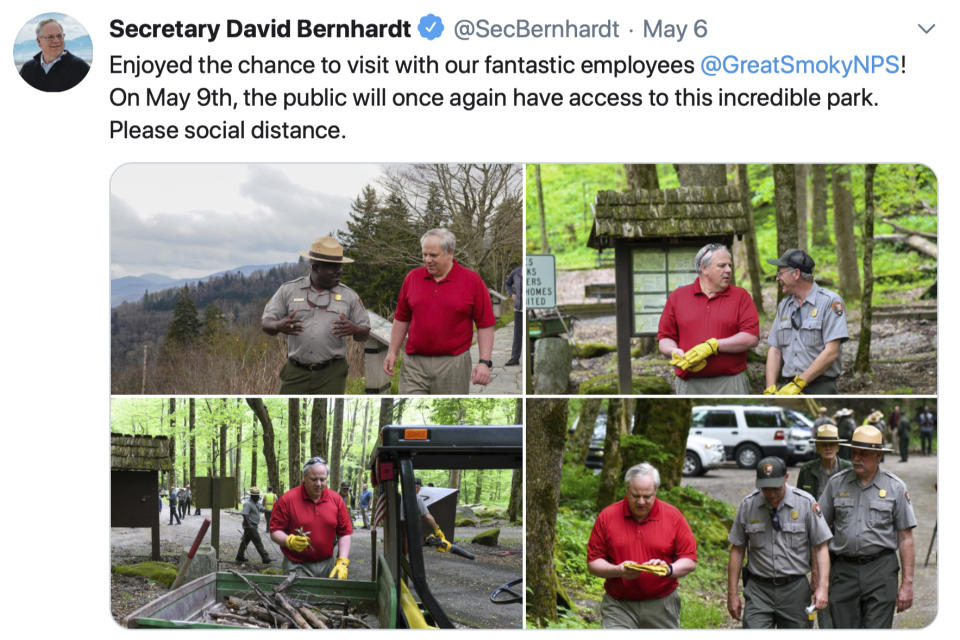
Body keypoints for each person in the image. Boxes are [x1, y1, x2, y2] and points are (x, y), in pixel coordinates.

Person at [819, 425, 917, 628]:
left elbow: (906, 538)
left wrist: (907, 583)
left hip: (880, 570)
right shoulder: (836, 484)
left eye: (864, 454)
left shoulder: (895, 487)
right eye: (854, 452)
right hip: (843, 570)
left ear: (878, 455)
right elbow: (818, 531)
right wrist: (820, 578)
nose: (856, 458)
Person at [384, 229, 496, 394]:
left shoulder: (472, 281)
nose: (427, 260)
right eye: (424, 254)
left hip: (453, 364)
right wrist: (392, 351)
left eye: (433, 255)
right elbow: (401, 318)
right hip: (414, 364)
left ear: (449, 252)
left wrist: (484, 362)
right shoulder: (412, 278)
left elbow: (485, 324)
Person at [587, 463, 698, 628]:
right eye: (635, 495)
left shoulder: (673, 516)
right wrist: (618, 570)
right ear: (627, 489)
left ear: (656, 492)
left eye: (647, 496)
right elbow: (593, 563)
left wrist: (668, 569)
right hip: (619, 605)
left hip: (662, 605)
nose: (641, 502)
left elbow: (689, 560)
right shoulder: (608, 516)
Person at [727, 457, 831, 628]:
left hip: (794, 589)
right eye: (766, 489)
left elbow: (821, 546)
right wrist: (732, 593)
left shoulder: (805, 503)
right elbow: (737, 549)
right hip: (758, 590)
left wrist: (822, 587)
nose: (772, 494)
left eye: (776, 488)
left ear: (786, 478)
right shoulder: (748, 505)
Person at [262, 236, 370, 394]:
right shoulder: (288, 290)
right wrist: (278, 325)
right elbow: (266, 323)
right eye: (332, 267)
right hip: (295, 371)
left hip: (332, 373)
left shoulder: (349, 296)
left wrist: (354, 329)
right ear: (316, 267)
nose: (338, 271)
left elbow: (365, 333)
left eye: (339, 266)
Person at [657, 243, 760, 394]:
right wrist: (673, 351)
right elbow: (665, 337)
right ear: (704, 269)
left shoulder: (741, 296)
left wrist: (714, 346)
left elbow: (751, 337)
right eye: (722, 265)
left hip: (731, 382)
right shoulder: (677, 297)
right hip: (688, 383)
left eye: (730, 265)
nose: (729, 270)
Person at [765, 249, 849, 394]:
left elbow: (831, 352)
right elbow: (775, 349)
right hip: (787, 387)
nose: (777, 278)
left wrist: (800, 383)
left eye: (780, 273)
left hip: (820, 387)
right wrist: (770, 387)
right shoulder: (784, 305)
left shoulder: (830, 302)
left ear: (796, 274)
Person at [269, 457, 353, 578]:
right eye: (314, 479)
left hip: (327, 564)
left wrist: (343, 561)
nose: (318, 484)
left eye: (322, 479)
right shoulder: (287, 499)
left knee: (326, 597)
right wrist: (289, 541)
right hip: (296, 565)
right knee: (297, 597)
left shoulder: (336, 500)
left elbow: (344, 533)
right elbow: (274, 531)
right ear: (305, 478)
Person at [19, 19, 90, 92]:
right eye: (50, 37)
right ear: (39, 41)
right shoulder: (27, 69)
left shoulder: (80, 68)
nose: (56, 40)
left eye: (59, 36)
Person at [797, 424, 853, 499]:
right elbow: (799, 499)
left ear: (838, 447)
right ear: (817, 448)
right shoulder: (806, 470)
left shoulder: (849, 469)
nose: (828, 448)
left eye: (832, 444)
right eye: (824, 445)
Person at [236, 488, 273, 564]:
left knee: (245, 541)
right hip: (250, 526)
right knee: (257, 540)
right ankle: (265, 557)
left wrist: (270, 511)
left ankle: (239, 556)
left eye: (258, 495)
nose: (258, 497)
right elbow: (244, 514)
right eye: (256, 496)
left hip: (253, 526)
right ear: (252, 496)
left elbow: (262, 509)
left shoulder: (256, 503)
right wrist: (249, 525)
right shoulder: (248, 504)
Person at [504, 265, 523, 367]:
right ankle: (515, 358)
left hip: (530, 310)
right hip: (519, 308)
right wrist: (512, 294)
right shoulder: (516, 272)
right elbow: (507, 284)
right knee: (517, 334)